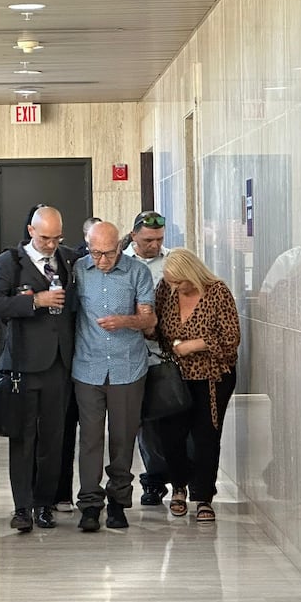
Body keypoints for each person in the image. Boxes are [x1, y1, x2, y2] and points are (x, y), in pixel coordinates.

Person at [0, 206, 78, 533]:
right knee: (23, 439)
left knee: (54, 439)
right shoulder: (10, 262)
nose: (51, 244)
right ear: (31, 231)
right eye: (45, 237)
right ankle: (22, 507)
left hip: (58, 364)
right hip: (22, 365)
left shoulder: (67, 259)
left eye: (57, 237)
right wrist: (34, 302)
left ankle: (44, 504)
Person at [72, 221, 156, 531]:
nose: (102, 260)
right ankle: (90, 504)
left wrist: (126, 320)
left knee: (122, 439)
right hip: (88, 367)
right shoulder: (79, 270)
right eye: (95, 253)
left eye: (108, 253)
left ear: (120, 246)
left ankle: (118, 502)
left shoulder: (138, 272)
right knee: (91, 439)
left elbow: (150, 319)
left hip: (128, 368)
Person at [149, 248, 240, 522]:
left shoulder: (217, 292)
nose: (175, 287)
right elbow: (156, 329)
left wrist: (193, 346)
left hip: (212, 377)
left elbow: (231, 338)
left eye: (180, 282)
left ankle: (203, 496)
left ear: (192, 274)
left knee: (206, 437)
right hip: (174, 378)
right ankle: (178, 488)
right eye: (171, 282)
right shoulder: (165, 291)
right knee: (170, 436)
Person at [122, 211, 173, 507]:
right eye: (148, 240)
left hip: (163, 353)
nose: (154, 245)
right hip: (130, 352)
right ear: (134, 236)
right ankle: (152, 481)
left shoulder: (171, 261)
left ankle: (173, 477)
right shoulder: (122, 262)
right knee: (143, 422)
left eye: (159, 239)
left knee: (167, 416)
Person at [53, 215, 102, 513]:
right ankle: (48, 495)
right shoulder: (77, 267)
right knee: (55, 431)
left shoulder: (72, 263)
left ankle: (66, 494)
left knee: (75, 431)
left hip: (82, 359)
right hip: (57, 361)